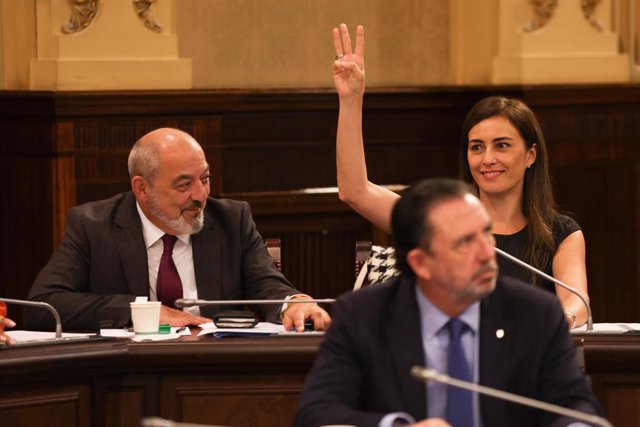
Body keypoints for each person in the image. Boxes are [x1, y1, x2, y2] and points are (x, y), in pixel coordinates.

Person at [332, 23, 589, 329]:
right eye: (476, 147)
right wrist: (351, 100)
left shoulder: (560, 233)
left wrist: (559, 320)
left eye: (502, 146)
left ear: (531, 155)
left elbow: (577, 302)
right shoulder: (440, 220)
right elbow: (354, 191)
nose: (487, 159)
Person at [295, 178, 603, 427]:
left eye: (486, 234)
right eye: (465, 243)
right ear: (421, 263)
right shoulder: (363, 316)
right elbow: (317, 413)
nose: (487, 253)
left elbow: (575, 407)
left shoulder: (534, 313)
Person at [26, 128, 331, 332]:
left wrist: (294, 302)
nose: (201, 195)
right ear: (142, 189)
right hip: (128, 375)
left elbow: (268, 285)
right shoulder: (93, 226)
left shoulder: (231, 219)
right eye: (185, 184)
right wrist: (141, 311)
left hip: (217, 371)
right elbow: (43, 305)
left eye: (205, 178)